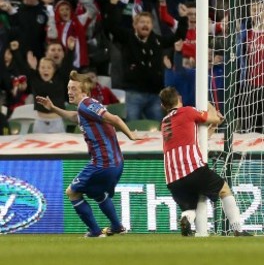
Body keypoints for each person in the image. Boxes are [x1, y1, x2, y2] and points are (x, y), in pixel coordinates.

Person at [35, 70, 138, 237]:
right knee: (97, 193)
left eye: (74, 88)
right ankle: (117, 227)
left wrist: (130, 135)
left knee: (72, 192)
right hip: (116, 163)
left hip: (102, 162)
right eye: (69, 88)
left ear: (84, 91)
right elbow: (75, 117)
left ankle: (95, 231)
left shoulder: (86, 104)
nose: (70, 92)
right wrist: (53, 107)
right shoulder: (86, 107)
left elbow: (116, 119)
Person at [158, 86, 251, 237]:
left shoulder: (164, 122)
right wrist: (208, 104)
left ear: (163, 106)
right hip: (193, 169)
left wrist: (213, 126)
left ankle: (186, 218)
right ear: (179, 99)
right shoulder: (187, 111)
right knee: (224, 190)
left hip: (172, 178)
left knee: (190, 207)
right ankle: (238, 229)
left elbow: (197, 139)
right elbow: (215, 118)